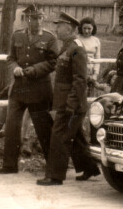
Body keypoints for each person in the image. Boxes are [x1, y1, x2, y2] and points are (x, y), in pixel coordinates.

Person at [36, 12, 100, 186]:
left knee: (60, 136)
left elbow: (80, 80)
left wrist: (70, 105)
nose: (56, 29)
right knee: (76, 136)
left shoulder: (77, 49)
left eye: (59, 26)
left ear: (69, 28)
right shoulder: (67, 47)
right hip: (66, 101)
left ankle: (55, 176)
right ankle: (90, 168)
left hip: (71, 103)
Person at [0, 4, 58, 174]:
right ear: (26, 19)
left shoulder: (49, 38)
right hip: (19, 89)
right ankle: (9, 166)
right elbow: (11, 58)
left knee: (43, 128)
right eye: (32, 18)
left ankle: (53, 167)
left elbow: (53, 62)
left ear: (43, 18)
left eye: (39, 17)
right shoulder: (17, 36)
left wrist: (35, 70)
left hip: (39, 89)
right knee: (12, 126)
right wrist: (14, 66)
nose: (35, 21)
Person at [0, 86, 33, 156]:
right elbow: (1, 95)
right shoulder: (12, 86)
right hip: (3, 108)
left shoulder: (25, 89)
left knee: (9, 131)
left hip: (12, 110)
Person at [77, 17, 101, 96]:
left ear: (93, 28)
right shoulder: (76, 39)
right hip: (78, 70)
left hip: (91, 71)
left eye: (89, 28)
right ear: (81, 28)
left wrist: (95, 74)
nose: (86, 31)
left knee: (90, 95)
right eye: (84, 28)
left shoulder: (96, 40)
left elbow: (98, 58)